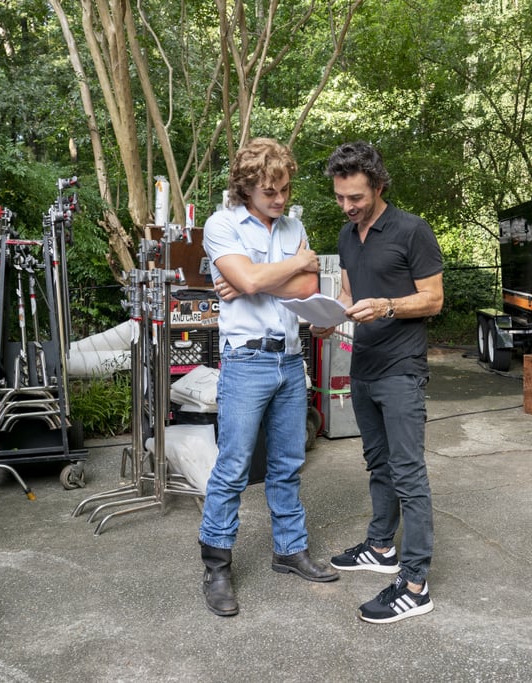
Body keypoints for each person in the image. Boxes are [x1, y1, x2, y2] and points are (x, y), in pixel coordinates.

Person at [197, 137, 338, 618]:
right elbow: (260, 282)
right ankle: (216, 566)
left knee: (287, 463)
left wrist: (254, 277)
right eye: (269, 192)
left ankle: (289, 550)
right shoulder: (221, 225)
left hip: (290, 359)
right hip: (246, 362)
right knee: (234, 467)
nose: (279, 200)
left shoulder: (292, 224)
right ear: (245, 188)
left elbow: (303, 287)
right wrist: (284, 267)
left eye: (283, 189)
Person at [316, 141, 444, 623]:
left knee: (409, 472)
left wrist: (389, 306)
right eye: (341, 198)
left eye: (356, 198)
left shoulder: (412, 230)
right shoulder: (348, 235)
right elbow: (352, 292)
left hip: (402, 367)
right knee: (378, 463)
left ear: (379, 186)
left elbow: (432, 299)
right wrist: (331, 316)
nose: (348, 207)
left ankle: (415, 583)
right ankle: (380, 547)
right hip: (363, 362)